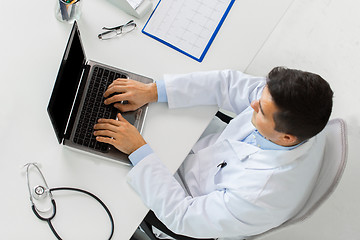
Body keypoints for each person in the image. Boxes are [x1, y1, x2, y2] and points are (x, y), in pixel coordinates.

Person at [93, 67, 333, 240]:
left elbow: (182, 216)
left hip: (183, 200)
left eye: (260, 110)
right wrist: (153, 91)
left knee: (95, 174)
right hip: (197, 152)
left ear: (287, 138)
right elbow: (226, 85)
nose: (253, 103)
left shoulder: (260, 195)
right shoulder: (299, 110)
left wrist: (138, 151)